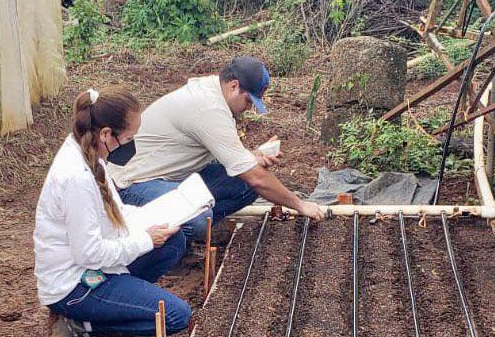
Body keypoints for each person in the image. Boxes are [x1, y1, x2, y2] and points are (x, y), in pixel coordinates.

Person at [109, 56, 323, 242]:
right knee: (199, 219)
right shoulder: (208, 108)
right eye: (248, 101)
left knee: (244, 186)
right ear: (234, 87)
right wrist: (299, 204)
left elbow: (228, 152)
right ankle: (167, 245)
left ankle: (180, 233)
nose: (249, 108)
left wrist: (251, 156)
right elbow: (256, 177)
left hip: (171, 176)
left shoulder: (213, 90)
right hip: (134, 184)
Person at [34, 87, 191, 336]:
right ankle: (82, 326)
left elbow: (118, 212)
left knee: (172, 242)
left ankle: (121, 302)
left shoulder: (91, 155)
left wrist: (165, 216)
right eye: (128, 139)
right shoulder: (76, 178)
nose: (130, 146)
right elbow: (89, 254)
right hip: (74, 284)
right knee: (174, 316)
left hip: (97, 265)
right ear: (106, 134)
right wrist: (144, 240)